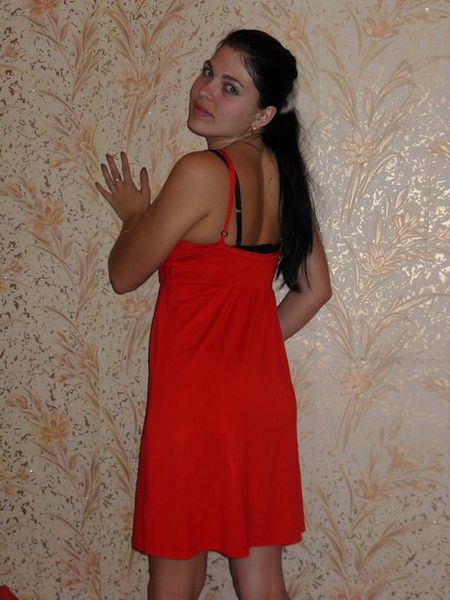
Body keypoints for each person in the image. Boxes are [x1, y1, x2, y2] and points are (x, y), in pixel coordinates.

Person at [96, 28, 332, 600]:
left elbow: (124, 274)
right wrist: (251, 345)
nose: (205, 90)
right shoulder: (283, 176)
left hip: (194, 402)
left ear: (263, 115)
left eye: (231, 87)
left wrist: (134, 216)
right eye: (208, 72)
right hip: (259, 398)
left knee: (176, 576)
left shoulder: (201, 173)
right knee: (262, 579)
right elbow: (315, 291)